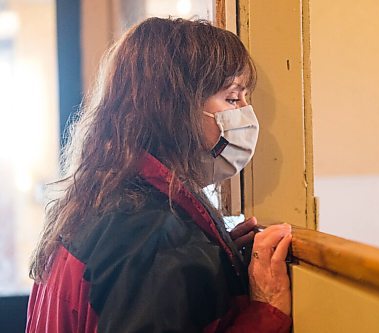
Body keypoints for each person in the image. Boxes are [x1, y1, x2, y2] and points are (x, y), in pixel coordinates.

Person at [26, 17, 292, 332]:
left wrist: (211, 257)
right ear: (175, 108)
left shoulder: (107, 202)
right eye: (233, 98)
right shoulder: (152, 234)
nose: (246, 114)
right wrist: (266, 312)